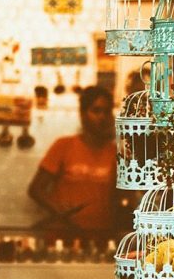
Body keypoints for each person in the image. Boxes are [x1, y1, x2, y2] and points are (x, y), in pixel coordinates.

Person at [28, 85, 117, 234]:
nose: (102, 117)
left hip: (100, 235)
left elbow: (120, 199)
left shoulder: (115, 152)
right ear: (83, 114)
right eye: (96, 111)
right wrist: (58, 209)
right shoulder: (63, 145)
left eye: (106, 111)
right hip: (63, 234)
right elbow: (36, 189)